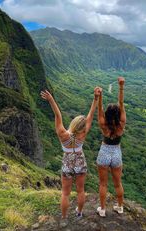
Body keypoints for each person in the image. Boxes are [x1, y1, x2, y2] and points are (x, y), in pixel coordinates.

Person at [40, 87, 100, 222]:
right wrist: (95, 98)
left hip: (67, 162)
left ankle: (64, 217)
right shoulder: (83, 134)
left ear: (73, 123)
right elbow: (91, 115)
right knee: (80, 190)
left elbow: (58, 115)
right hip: (80, 161)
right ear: (82, 127)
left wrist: (51, 100)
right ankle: (79, 213)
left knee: (65, 193)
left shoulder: (63, 134)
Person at [96, 77, 126, 217]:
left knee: (103, 184)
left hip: (104, 151)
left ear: (107, 115)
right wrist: (121, 86)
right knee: (117, 183)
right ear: (119, 114)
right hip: (116, 153)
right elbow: (121, 102)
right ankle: (120, 207)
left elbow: (99, 108)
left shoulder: (104, 124)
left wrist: (99, 95)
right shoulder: (121, 124)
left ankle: (102, 209)